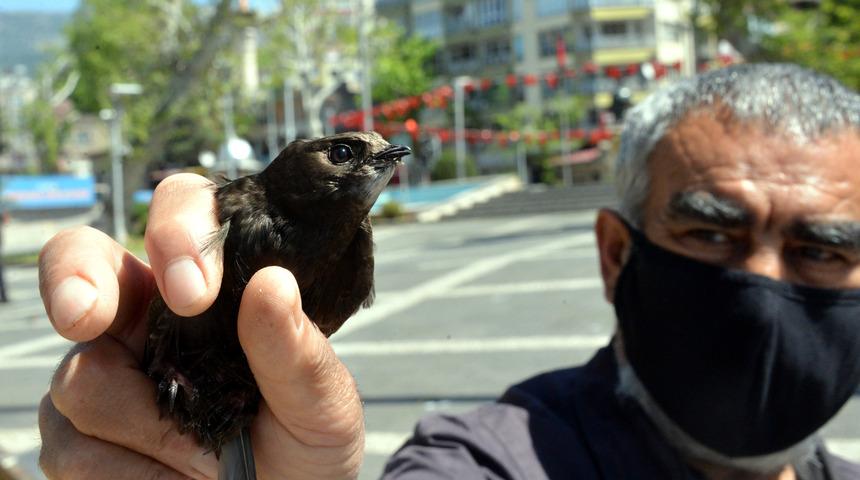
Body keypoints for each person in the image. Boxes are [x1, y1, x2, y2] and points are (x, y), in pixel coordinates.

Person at [36, 63, 860, 480]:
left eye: (824, 249)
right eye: (713, 236)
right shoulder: (488, 461)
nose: (762, 287)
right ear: (615, 252)